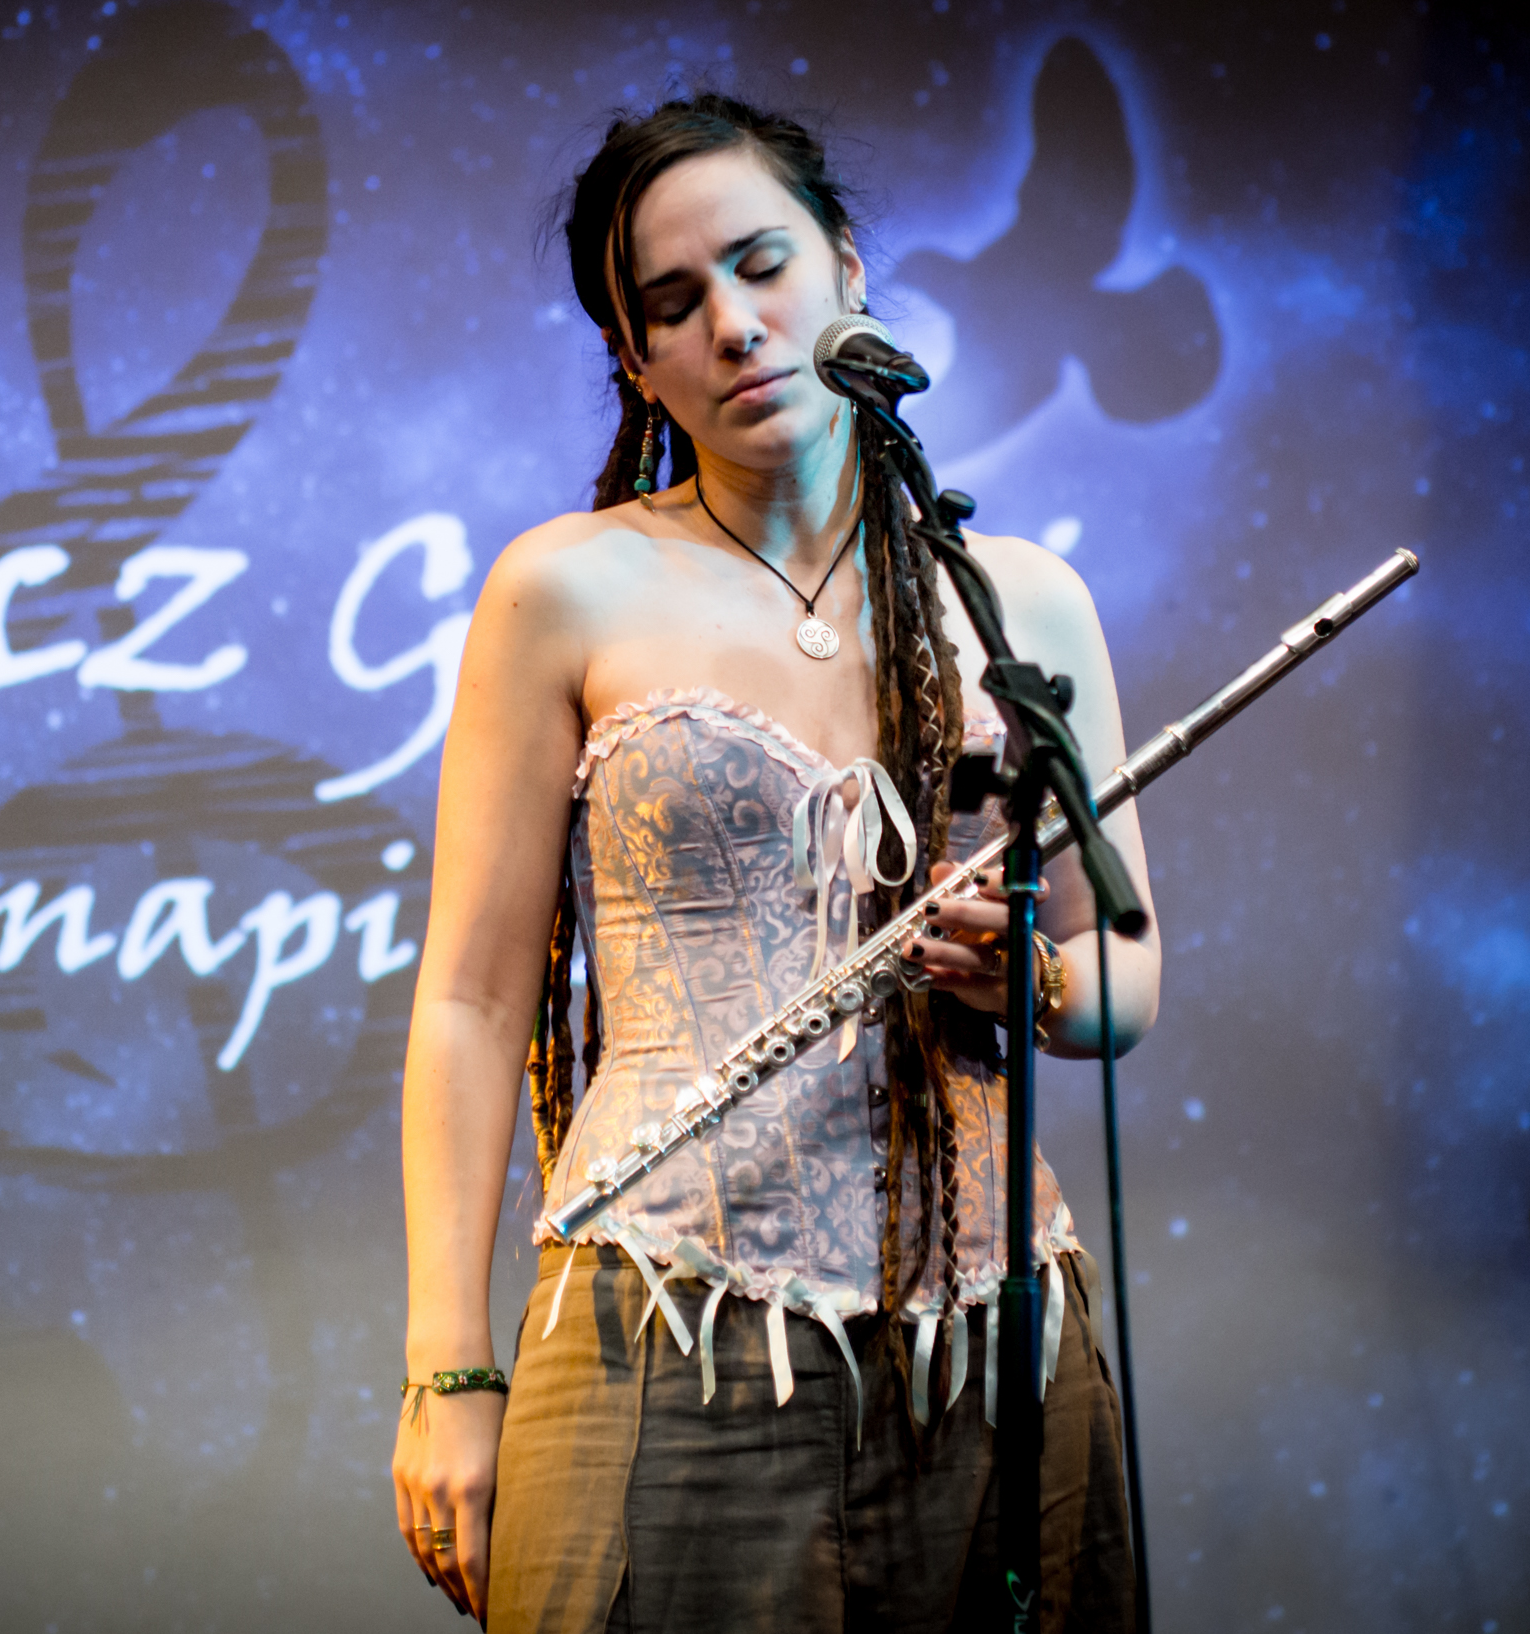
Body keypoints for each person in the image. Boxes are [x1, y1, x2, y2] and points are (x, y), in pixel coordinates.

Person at [389, 94, 1162, 1631]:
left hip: (993, 1341)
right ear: (633, 358)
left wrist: (1033, 976)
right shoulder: (569, 586)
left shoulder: (1019, 600)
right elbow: (470, 1003)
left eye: (762, 266)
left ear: (847, 271)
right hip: (664, 1322)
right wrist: (447, 1370)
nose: (736, 326)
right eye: (674, 303)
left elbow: (1126, 971)